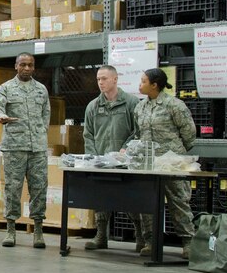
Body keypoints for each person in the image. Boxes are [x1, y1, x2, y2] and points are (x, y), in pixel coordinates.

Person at [127, 67, 197, 259]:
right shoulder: (140, 107)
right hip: (149, 163)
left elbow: (189, 134)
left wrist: (175, 154)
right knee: (147, 203)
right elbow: (138, 134)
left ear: (154, 85)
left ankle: (188, 242)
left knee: (178, 201)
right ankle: (151, 241)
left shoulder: (174, 105)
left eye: (143, 81)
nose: (139, 85)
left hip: (172, 163)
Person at [0, 53, 50, 249]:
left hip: (37, 148)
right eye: (23, 65)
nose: (26, 68)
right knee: (12, 188)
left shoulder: (41, 90)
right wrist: (1, 116)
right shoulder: (6, 88)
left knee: (39, 188)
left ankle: (38, 229)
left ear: (34, 67)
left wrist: (40, 134)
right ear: (16, 66)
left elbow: (45, 116)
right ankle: (10, 229)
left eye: (30, 65)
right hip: (14, 146)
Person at [82, 65, 139, 251]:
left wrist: (125, 149)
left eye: (104, 78)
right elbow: (88, 134)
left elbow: (138, 131)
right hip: (101, 163)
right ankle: (101, 236)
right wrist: (93, 157)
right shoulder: (93, 106)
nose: (100, 82)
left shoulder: (131, 103)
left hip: (124, 163)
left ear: (115, 79)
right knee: (101, 200)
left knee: (131, 201)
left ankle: (142, 237)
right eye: (98, 79)